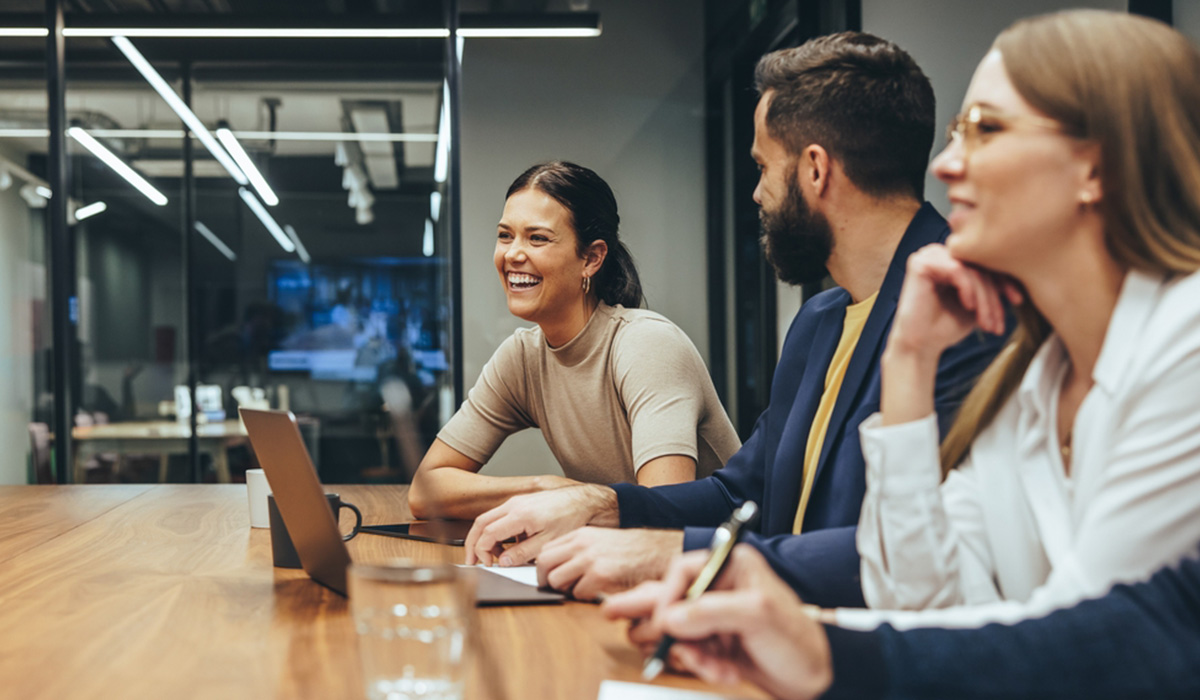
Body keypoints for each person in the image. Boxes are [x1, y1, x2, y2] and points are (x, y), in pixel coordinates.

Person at [463, 33, 1006, 607]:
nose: (756, 193)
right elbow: (740, 490)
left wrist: (671, 553)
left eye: (763, 167)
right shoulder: (820, 322)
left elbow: (909, 554)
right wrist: (605, 505)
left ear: (814, 171)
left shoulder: (969, 316)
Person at [828, 8, 1200, 632]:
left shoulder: (1186, 342)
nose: (946, 165)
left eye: (986, 129)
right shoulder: (1032, 382)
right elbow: (917, 602)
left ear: (1096, 168)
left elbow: (1077, 644)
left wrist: (812, 641)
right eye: (955, 131)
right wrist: (910, 361)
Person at [407, 161, 741, 520]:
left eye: (537, 238)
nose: (513, 254)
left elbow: (662, 515)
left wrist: (574, 501)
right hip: (626, 558)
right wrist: (545, 488)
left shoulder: (647, 344)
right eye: (505, 235)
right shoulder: (523, 358)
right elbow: (425, 492)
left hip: (721, 563)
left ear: (592, 258)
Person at [604, 543, 1200, 700]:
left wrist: (825, 647)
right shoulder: (1029, 365)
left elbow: (1123, 638)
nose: (954, 221)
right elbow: (920, 591)